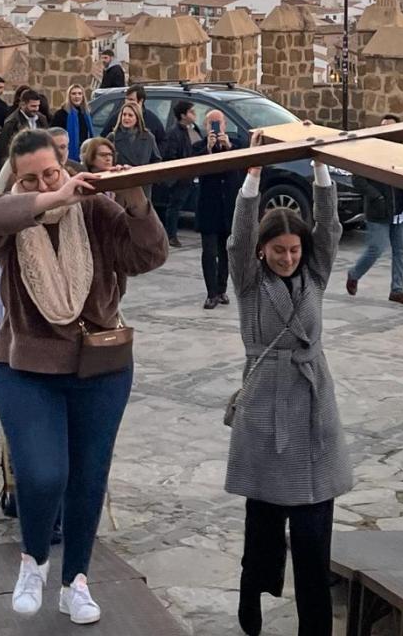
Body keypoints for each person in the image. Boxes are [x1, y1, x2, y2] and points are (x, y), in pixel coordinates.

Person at [0, 128, 167, 623]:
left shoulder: (95, 209)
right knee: (42, 472)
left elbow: (148, 255)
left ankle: (74, 581)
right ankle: (33, 559)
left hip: (99, 367)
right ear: (16, 181)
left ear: (65, 163)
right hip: (25, 368)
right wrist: (48, 196)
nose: (43, 182)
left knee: (87, 477)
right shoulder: (9, 219)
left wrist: (136, 203)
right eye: (29, 178)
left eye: (52, 173)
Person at [227, 144, 352, 636]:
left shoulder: (315, 276)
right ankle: (251, 601)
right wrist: (252, 176)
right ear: (264, 251)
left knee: (312, 529)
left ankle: (315, 624)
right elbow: (237, 240)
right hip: (263, 408)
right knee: (261, 524)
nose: (287, 257)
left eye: (293, 250)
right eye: (278, 250)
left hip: (312, 406)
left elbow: (330, 229)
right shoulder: (250, 283)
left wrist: (320, 165)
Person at [346, 114, 403, 305]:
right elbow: (357, 178)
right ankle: (354, 274)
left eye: (391, 128)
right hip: (379, 210)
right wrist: (376, 196)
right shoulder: (370, 152)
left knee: (401, 250)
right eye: (383, 127)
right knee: (376, 247)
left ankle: (397, 290)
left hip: (400, 210)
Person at [197, 109, 242, 310]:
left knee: (226, 252)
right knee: (209, 251)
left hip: (229, 206)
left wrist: (228, 147)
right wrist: (207, 150)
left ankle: (222, 288)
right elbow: (192, 167)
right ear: (206, 127)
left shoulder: (236, 145)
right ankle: (211, 293)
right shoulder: (198, 147)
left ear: (225, 125)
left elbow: (241, 167)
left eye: (219, 123)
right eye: (211, 123)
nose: (215, 127)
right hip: (209, 206)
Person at [162, 99, 207, 247]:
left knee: (197, 203)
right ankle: (171, 235)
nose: (195, 114)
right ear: (183, 115)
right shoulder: (174, 133)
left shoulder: (194, 129)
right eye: (191, 112)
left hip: (195, 174)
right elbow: (170, 155)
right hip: (182, 176)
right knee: (175, 205)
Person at [0, 88, 48, 165]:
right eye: (33, 106)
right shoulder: (11, 123)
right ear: (22, 104)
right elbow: (4, 150)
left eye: (38, 106)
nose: (36, 109)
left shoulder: (42, 119)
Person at [51, 84, 94, 165]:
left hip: (85, 154)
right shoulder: (61, 114)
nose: (77, 96)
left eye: (79, 93)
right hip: (68, 156)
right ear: (69, 96)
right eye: (73, 94)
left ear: (83, 96)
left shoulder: (86, 114)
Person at [110, 102, 161, 170]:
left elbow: (156, 161)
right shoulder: (113, 137)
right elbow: (105, 162)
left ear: (137, 118)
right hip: (122, 178)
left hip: (143, 178)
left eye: (130, 115)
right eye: (124, 114)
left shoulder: (149, 137)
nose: (126, 118)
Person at [127, 84, 166, 151]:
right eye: (126, 99)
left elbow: (162, 144)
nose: (127, 102)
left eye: (131, 99)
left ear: (141, 101)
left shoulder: (153, 121)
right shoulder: (117, 117)